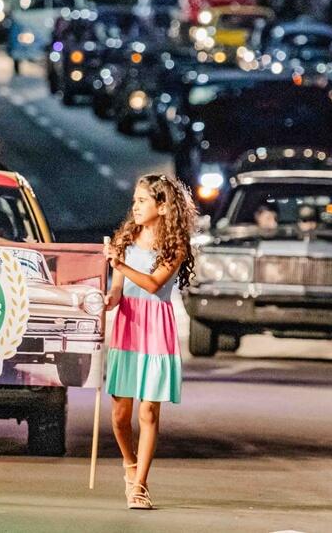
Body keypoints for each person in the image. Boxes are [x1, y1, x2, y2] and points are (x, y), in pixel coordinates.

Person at [103, 174, 196, 510]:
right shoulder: (125, 239)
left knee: (148, 411)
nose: (135, 207)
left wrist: (120, 264)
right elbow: (116, 291)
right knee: (118, 414)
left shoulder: (175, 245)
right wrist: (106, 300)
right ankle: (129, 464)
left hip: (156, 327)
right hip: (128, 325)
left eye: (142, 200)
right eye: (135, 201)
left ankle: (140, 485)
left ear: (162, 205)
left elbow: (154, 284)